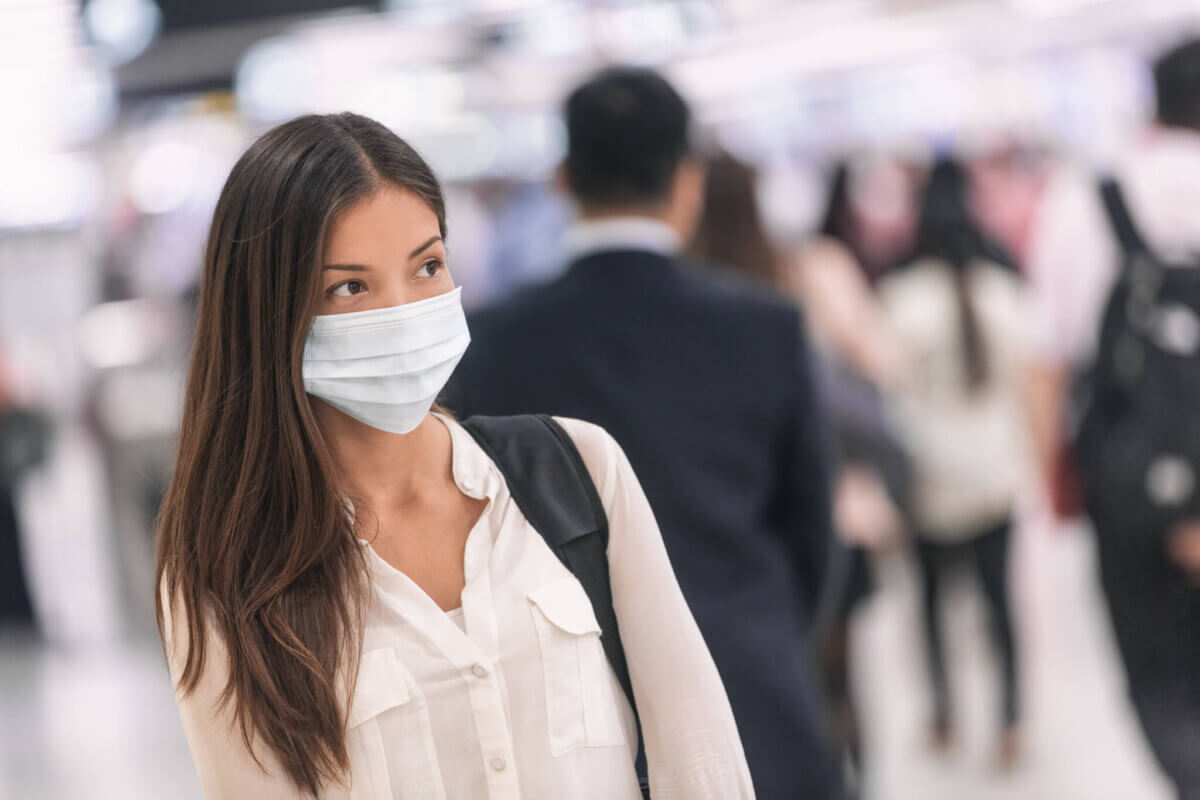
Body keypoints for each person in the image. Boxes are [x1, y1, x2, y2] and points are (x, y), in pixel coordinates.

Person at [155, 112, 753, 800]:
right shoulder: (226, 568)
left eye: (428, 266)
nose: (404, 310)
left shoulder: (579, 471)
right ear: (270, 314)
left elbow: (700, 754)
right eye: (350, 287)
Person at [444, 69, 841, 800]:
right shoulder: (765, 328)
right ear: (687, 181)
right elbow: (812, 533)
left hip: (577, 731)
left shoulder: (498, 342)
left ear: (562, 179)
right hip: (754, 696)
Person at [690, 150, 910, 790]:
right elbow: (880, 369)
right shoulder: (809, 270)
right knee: (839, 681)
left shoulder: (686, 301)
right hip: (833, 504)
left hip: (732, 523)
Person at [1026, 37, 1200, 798]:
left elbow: (1043, 365)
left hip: (1127, 485)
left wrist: (1057, 483)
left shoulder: (1083, 198)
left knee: (1157, 676)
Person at [878, 159, 1028, 767]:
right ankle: (1011, 720)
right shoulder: (1000, 292)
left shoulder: (901, 301)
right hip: (995, 469)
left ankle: (943, 713)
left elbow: (887, 393)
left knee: (934, 601)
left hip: (929, 475)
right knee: (1001, 603)